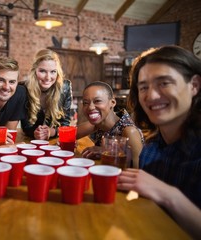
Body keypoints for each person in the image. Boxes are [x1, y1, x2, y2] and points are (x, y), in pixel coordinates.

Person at [117, 46, 201, 238]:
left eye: (164, 83)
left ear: (194, 85)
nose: (152, 96)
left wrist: (169, 195)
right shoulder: (151, 150)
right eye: (144, 87)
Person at [77, 81, 144, 168]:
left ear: (112, 102)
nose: (90, 107)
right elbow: (71, 133)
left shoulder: (129, 131)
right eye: (86, 103)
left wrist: (105, 151)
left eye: (97, 101)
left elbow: (137, 172)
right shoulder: (99, 123)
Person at [21, 49, 72, 140]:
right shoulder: (23, 89)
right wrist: (35, 132)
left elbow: (65, 124)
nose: (48, 77)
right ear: (34, 71)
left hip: (54, 142)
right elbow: (26, 126)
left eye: (53, 72)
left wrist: (52, 132)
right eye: (43, 71)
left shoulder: (65, 87)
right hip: (30, 141)